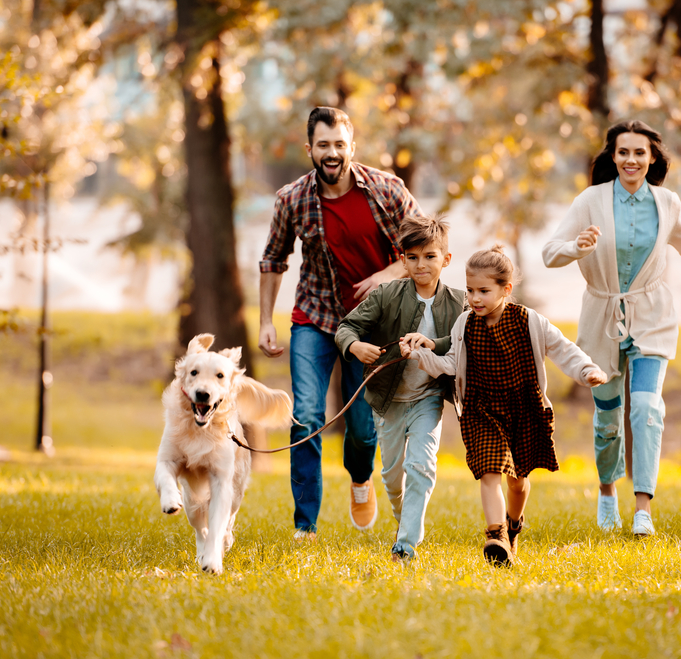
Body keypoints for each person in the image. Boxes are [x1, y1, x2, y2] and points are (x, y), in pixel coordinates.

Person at [541, 119, 681, 537]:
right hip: (602, 317)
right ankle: (607, 491)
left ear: (652, 158)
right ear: (612, 156)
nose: (631, 159)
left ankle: (643, 506)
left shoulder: (666, 203)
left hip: (652, 316)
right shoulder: (589, 201)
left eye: (639, 152)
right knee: (608, 418)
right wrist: (577, 247)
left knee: (646, 408)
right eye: (623, 152)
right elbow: (549, 253)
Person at [259, 106, 422, 540]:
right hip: (314, 318)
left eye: (339, 145)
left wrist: (386, 275)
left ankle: (359, 478)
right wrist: (265, 322)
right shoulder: (291, 199)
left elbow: (429, 245)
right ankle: (305, 525)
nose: (332, 153)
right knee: (307, 415)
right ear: (309, 148)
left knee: (363, 429)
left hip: (372, 327)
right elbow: (274, 259)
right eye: (323, 145)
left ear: (352, 147)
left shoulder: (388, 191)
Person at [401, 246, 607, 565]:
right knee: (490, 470)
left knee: (518, 481)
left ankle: (512, 527)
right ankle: (495, 535)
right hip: (481, 409)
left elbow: (563, 348)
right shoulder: (465, 324)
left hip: (524, 408)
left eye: (484, 291)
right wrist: (419, 355)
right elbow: (451, 362)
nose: (475, 298)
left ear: (505, 289)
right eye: (470, 291)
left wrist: (587, 370)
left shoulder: (530, 321)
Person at [334, 213, 466, 562]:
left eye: (430, 256)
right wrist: (354, 346)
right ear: (402, 258)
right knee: (393, 477)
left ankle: (405, 545)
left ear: (446, 259)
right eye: (413, 257)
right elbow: (346, 327)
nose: (421, 265)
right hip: (388, 400)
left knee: (421, 466)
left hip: (428, 398)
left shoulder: (459, 302)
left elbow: (462, 342)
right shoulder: (388, 294)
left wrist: (431, 343)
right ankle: (403, 519)